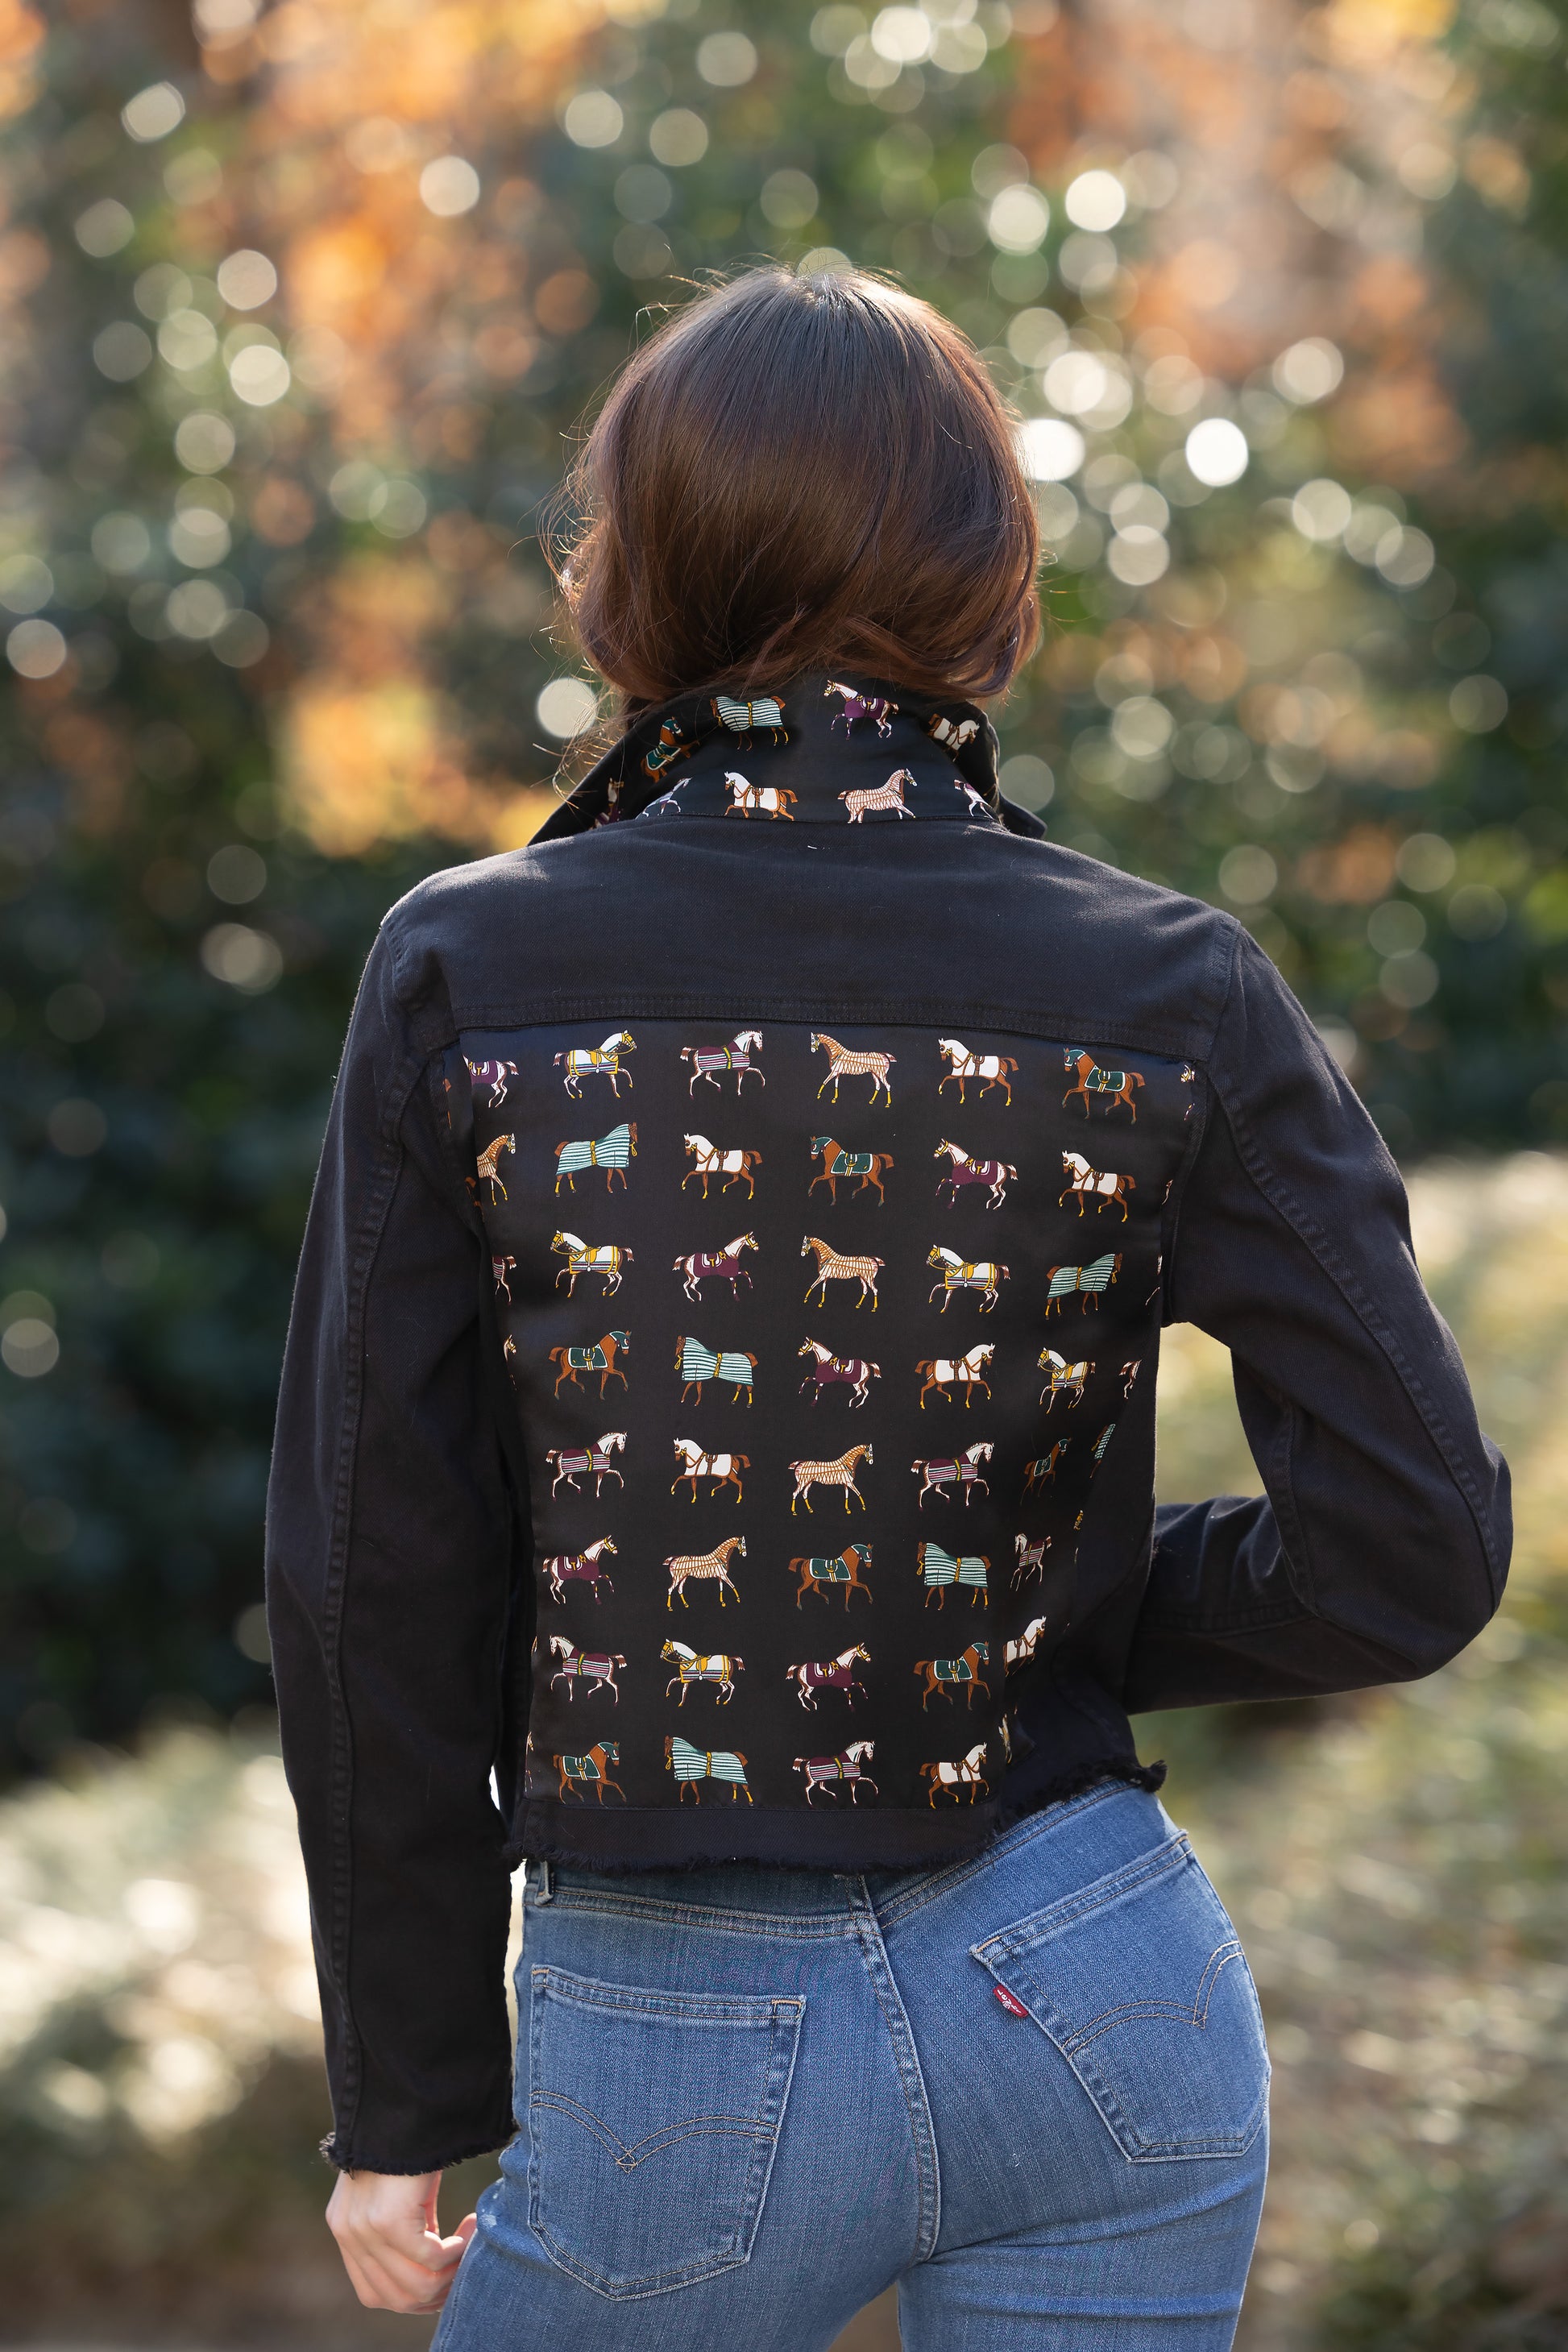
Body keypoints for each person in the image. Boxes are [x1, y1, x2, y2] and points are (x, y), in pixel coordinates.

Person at [264, 267, 1509, 2350]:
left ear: (625, 585)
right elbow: (1417, 1549)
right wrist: (1032, 1612)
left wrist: (406, 2101)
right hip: (1101, 1992)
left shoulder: (472, 973)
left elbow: (375, 1573)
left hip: (677, 2037)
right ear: (993, 589)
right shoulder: (1170, 987)